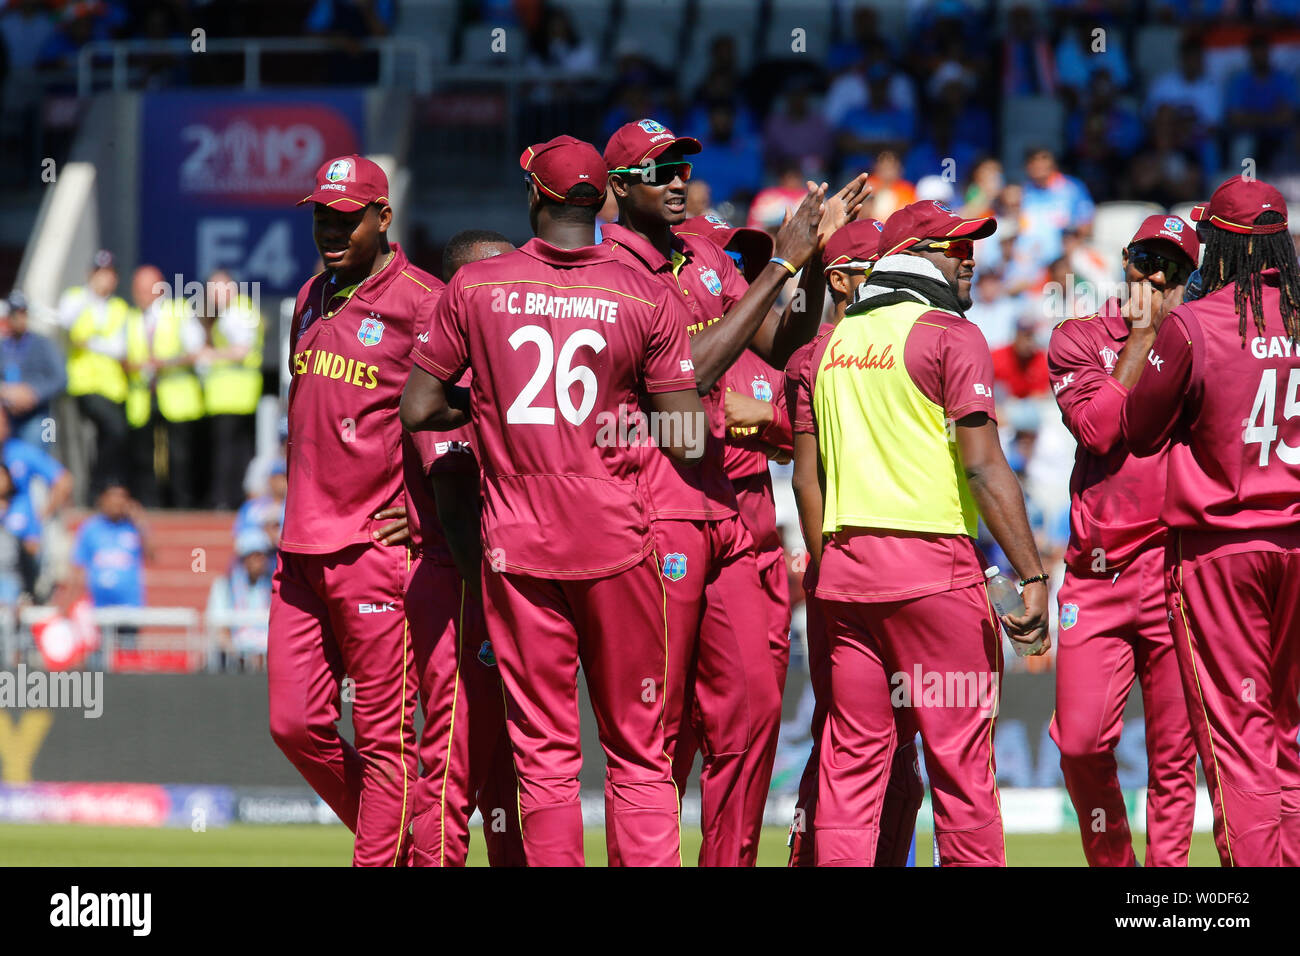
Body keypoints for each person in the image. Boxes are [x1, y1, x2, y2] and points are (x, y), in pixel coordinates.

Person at [400, 135, 706, 867]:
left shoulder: (475, 287)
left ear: (534, 196)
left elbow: (418, 408)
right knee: (638, 751)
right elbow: (689, 437)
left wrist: (489, 412)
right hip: (616, 543)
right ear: (600, 200)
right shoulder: (648, 292)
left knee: (545, 757)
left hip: (516, 544)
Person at [600, 118, 862, 865]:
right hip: (654, 512)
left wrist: (807, 267)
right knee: (658, 725)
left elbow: (785, 345)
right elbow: (690, 376)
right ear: (619, 188)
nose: (680, 181)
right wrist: (781, 264)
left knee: (751, 715)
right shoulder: (608, 272)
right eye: (661, 172)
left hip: (732, 518)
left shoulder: (706, 256)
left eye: (685, 167)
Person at [807, 200, 1050, 866]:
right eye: (956, 247)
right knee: (962, 772)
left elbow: (817, 476)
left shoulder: (834, 344)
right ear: (916, 255)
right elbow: (983, 466)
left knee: (851, 771)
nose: (970, 258)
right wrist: (1030, 576)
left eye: (972, 247)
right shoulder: (950, 333)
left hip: (848, 576)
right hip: (932, 572)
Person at [1122, 175, 1300, 867]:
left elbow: (1136, 430)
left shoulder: (1193, 325)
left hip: (1220, 552)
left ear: (1218, 243)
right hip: (1294, 546)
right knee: (1284, 731)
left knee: (1239, 737)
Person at [270, 154, 429, 867]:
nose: (330, 230)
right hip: (298, 547)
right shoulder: (307, 297)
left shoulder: (425, 302)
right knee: (294, 723)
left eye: (346, 218)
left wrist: (424, 517)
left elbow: (482, 414)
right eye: (321, 216)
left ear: (383, 218)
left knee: (388, 738)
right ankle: (421, 840)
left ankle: (393, 851)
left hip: (374, 549)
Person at [1048, 214, 1200, 867]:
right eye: (1146, 257)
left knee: (1175, 758)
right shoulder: (1076, 337)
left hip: (1179, 571)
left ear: (1190, 279)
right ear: (1126, 259)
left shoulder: (1204, 343)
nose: (1155, 274)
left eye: (1173, 265)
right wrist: (1143, 339)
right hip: (1097, 576)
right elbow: (1099, 432)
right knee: (1079, 745)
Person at [785, 217, 926, 867]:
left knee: (904, 750)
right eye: (876, 264)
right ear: (839, 280)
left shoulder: (917, 339)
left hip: (911, 571)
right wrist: (828, 565)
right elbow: (807, 481)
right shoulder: (815, 358)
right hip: (845, 574)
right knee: (847, 742)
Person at [402, 227, 524, 868]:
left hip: (514, 586)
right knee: (449, 763)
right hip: (465, 586)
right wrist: (491, 597)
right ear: (458, 291)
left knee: (511, 771)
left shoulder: (516, 364)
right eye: (490, 277)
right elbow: (451, 493)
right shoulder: (447, 376)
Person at [125, 264, 206, 509]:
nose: (140, 293)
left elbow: (195, 351)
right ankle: (150, 504)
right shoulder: (131, 318)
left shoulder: (179, 312)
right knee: (144, 455)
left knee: (179, 456)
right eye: (137, 288)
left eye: (145, 287)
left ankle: (182, 505)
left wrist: (165, 363)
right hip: (143, 397)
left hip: (176, 396)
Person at [57, 249, 130, 494]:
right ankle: (98, 486)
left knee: (109, 437)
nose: (104, 279)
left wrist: (91, 341)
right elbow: (65, 322)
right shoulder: (76, 297)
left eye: (109, 274)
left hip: (114, 387)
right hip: (84, 384)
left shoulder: (120, 307)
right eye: (99, 273)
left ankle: (100, 489)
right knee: (112, 430)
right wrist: (89, 295)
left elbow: (121, 348)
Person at [197, 270, 263, 510]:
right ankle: (230, 497)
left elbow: (242, 350)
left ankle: (225, 498)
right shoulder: (232, 312)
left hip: (232, 395)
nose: (214, 295)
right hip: (233, 395)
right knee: (236, 449)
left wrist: (211, 355)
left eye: (219, 289)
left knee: (227, 452)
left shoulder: (238, 312)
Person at [69, 482, 148, 611]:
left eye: (121, 498)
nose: (117, 504)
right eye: (113, 498)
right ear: (103, 500)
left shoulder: (133, 527)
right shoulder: (90, 528)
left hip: (129, 605)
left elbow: (151, 555)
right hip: (98, 606)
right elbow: (78, 565)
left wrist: (140, 522)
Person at [1, 290, 65, 448]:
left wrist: (33, 393)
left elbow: (60, 378)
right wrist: (6, 392)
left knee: (41, 439)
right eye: (15, 314)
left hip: (39, 413)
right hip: (7, 412)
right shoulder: (3, 347)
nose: (19, 319)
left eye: (23, 313)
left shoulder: (43, 344)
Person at [207, 527, 273, 672]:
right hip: (233, 663)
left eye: (264, 556)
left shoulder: (271, 587)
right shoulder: (224, 586)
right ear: (244, 559)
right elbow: (219, 629)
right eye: (256, 555)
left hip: (266, 660)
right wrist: (241, 657)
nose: (261, 561)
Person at [992, 315, 1051, 399]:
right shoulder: (997, 357)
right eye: (1025, 336)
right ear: (1016, 336)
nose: (1028, 342)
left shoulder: (1041, 359)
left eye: (1031, 337)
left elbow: (1040, 397)